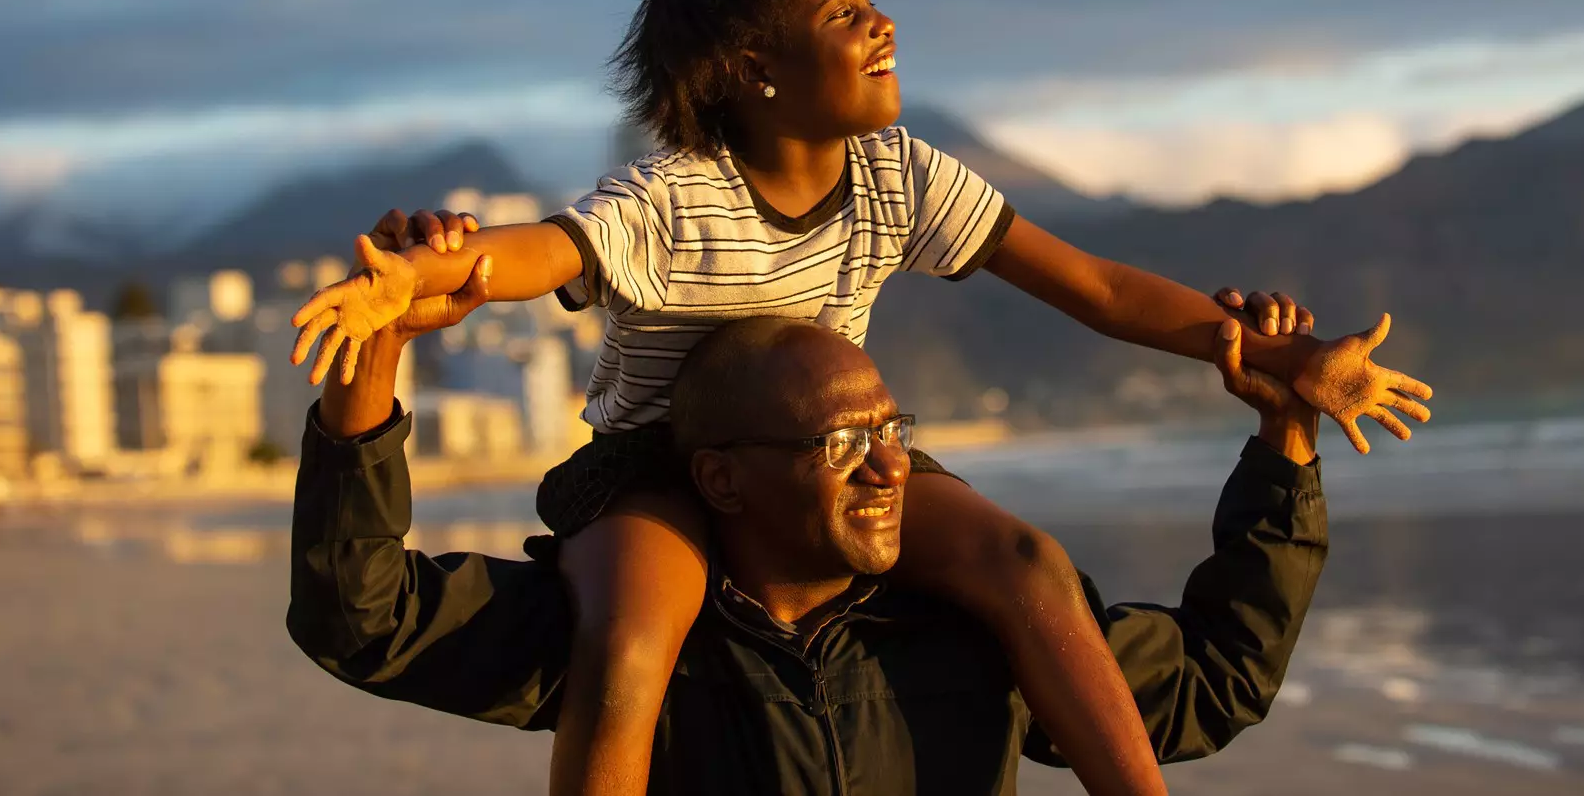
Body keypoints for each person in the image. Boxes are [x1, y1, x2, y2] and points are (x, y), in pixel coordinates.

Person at [289, 0, 1429, 796]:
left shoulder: (899, 178)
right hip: (652, 465)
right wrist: (428, 277)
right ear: (752, 65)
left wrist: (1281, 366)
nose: (881, 23)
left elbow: (1093, 286)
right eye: (843, 13)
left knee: (1026, 567)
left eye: (871, 0)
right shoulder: (675, 198)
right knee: (634, 631)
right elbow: (535, 252)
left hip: (836, 451)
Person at [288, 290, 1333, 796]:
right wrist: (374, 356)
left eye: (892, 433)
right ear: (721, 477)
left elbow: (1211, 690)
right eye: (841, 444)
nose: (887, 467)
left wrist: (1284, 443)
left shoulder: (972, 631)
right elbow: (362, 618)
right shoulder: (625, 634)